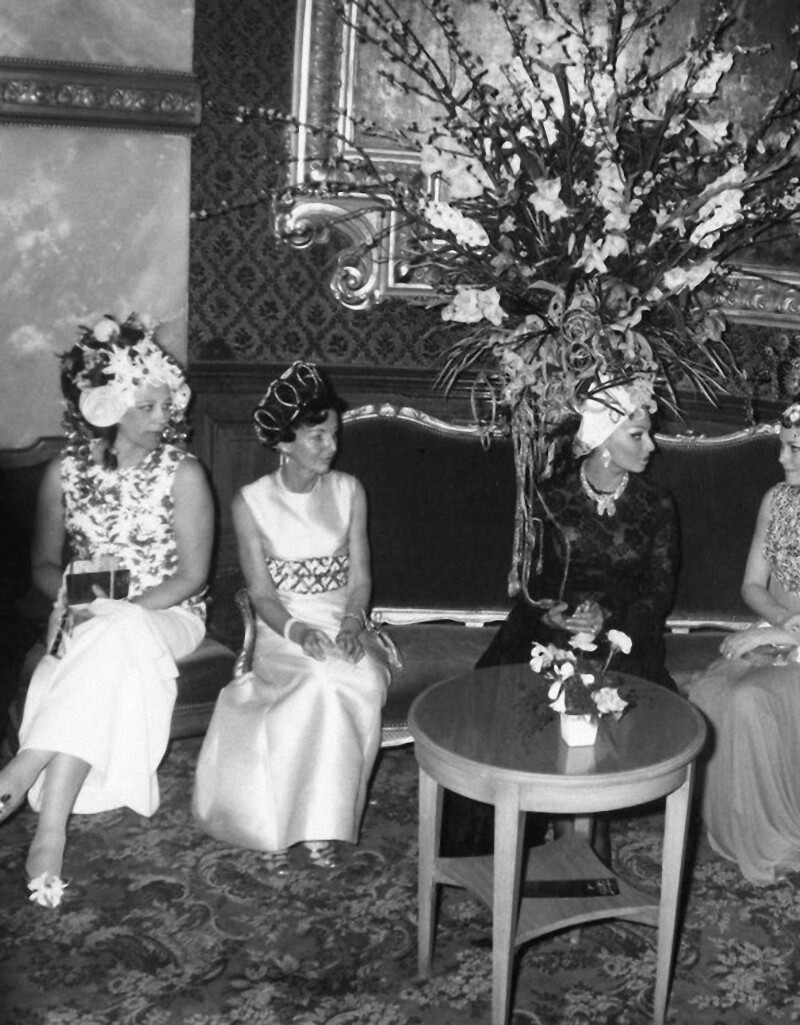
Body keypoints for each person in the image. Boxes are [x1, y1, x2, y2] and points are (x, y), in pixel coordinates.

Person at [0, 313, 213, 908]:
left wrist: (118, 609)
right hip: (89, 616)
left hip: (170, 614)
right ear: (107, 408)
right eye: (147, 407)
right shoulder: (63, 473)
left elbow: (192, 576)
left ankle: (24, 769)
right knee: (109, 639)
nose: (163, 417)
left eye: (166, 405)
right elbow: (44, 565)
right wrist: (74, 600)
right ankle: (50, 831)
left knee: (118, 629)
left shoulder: (184, 474)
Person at [442, 374, 679, 856]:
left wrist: (607, 617)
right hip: (544, 631)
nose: (651, 446)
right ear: (603, 440)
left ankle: (583, 837)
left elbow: (659, 591)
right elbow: (525, 581)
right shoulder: (548, 495)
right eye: (638, 435)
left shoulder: (656, 504)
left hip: (623, 635)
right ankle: (510, 843)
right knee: (503, 712)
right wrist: (550, 615)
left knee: (607, 704)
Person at [192, 361, 390, 873]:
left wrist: (351, 626)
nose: (331, 447)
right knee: (316, 683)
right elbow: (260, 594)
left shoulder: (350, 490)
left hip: (343, 622)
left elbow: (361, 579)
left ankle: (322, 826)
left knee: (359, 680)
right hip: (285, 629)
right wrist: (299, 632)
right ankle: (277, 825)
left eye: (334, 435)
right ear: (284, 442)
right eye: (318, 436)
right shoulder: (251, 502)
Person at [689, 402, 800, 885]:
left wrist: (783, 634)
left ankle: (778, 837)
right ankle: (736, 831)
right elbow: (752, 586)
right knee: (708, 691)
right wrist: (782, 624)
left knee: (750, 700)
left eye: (794, 449)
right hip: (783, 629)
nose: (781, 459)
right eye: (782, 446)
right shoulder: (777, 500)